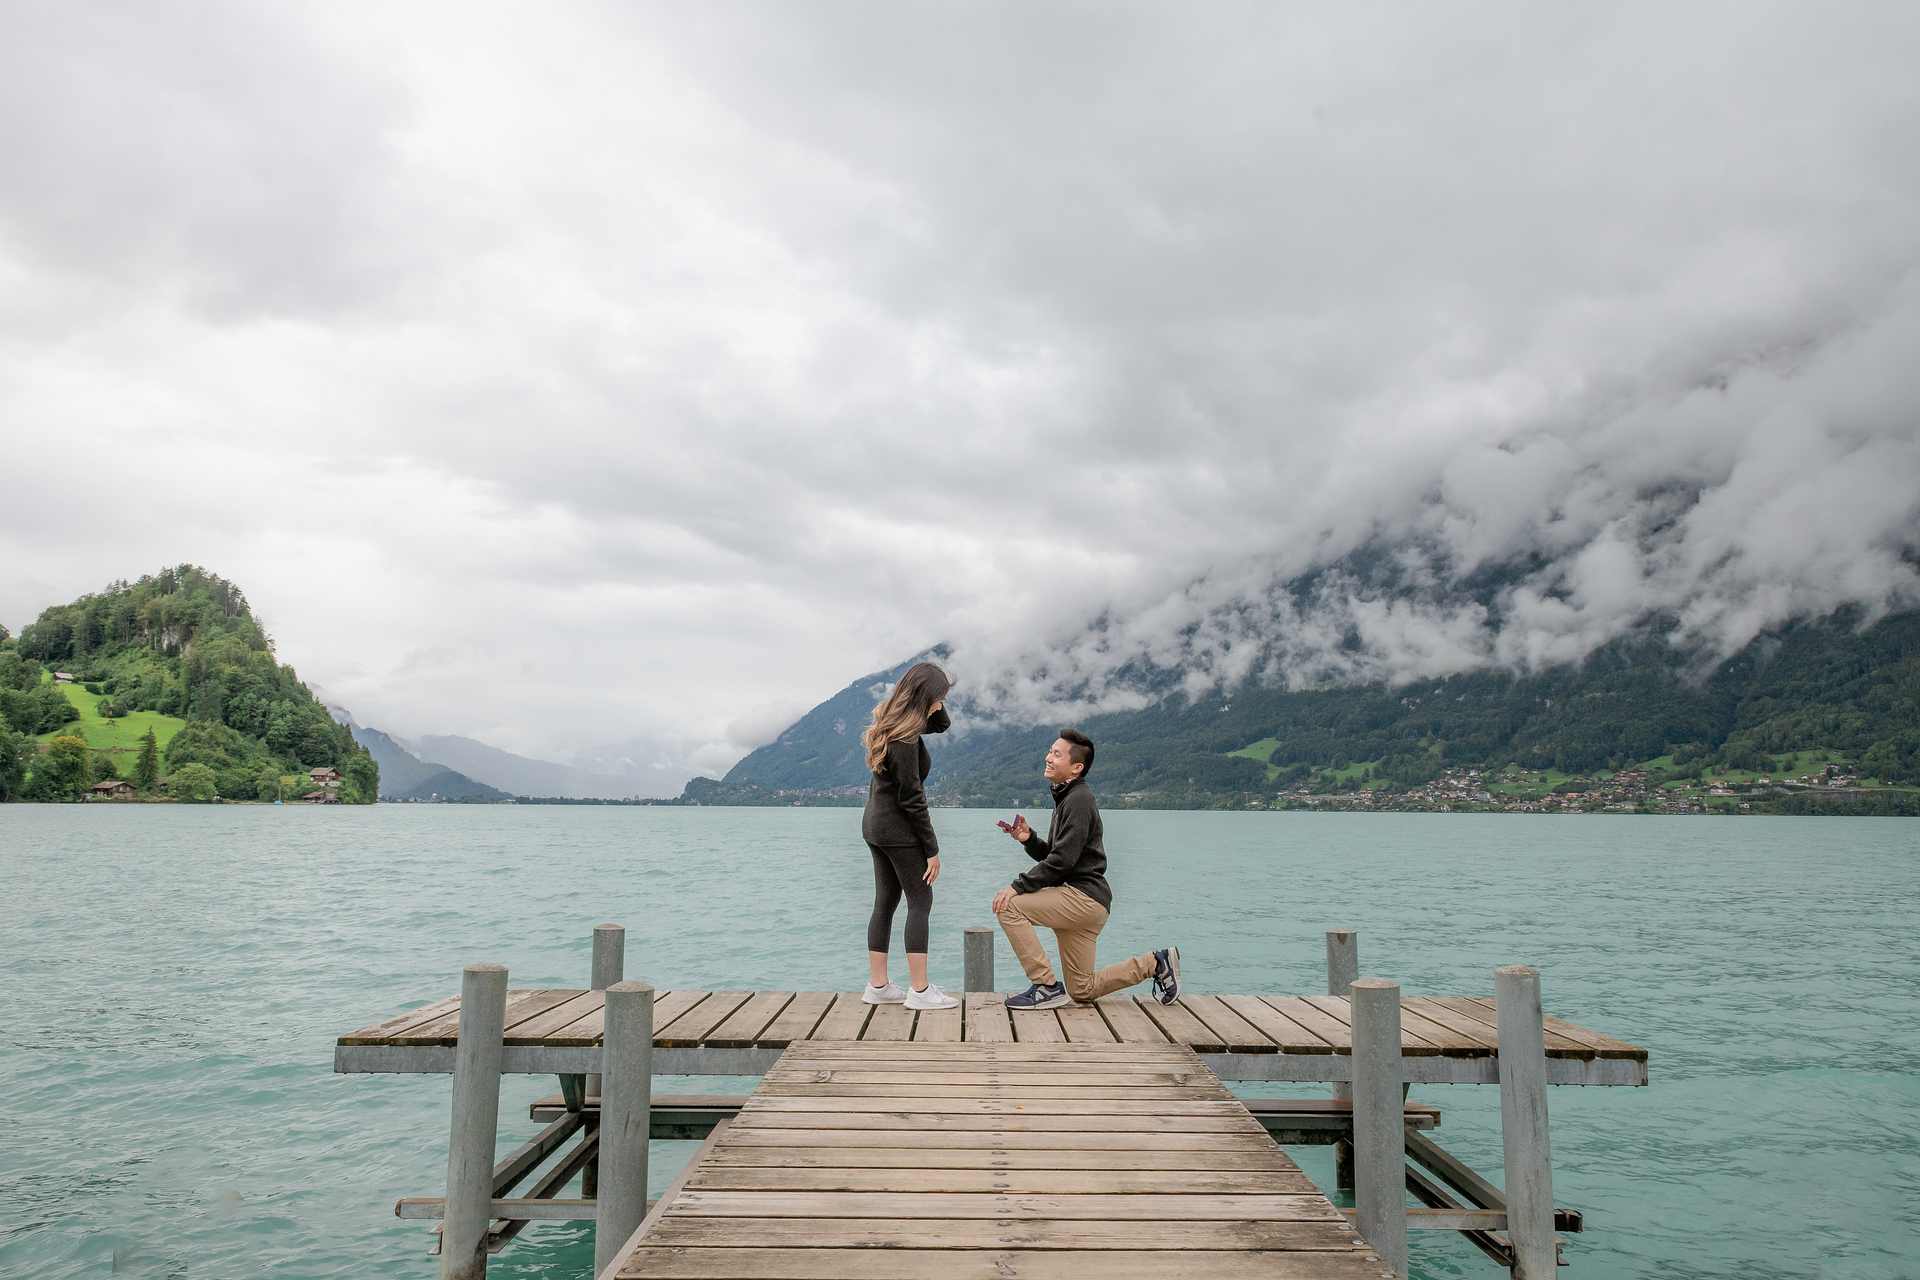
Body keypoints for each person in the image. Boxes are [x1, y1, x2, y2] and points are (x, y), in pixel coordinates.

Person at [993, 728, 1180, 1010]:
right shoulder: (1068, 798)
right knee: (1082, 989)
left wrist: (1017, 886)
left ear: (1076, 767)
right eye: (1050, 751)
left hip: (1082, 897)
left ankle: (1045, 986)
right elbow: (1060, 858)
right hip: (1088, 903)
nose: (1048, 757)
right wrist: (1029, 840)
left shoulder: (1079, 799)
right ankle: (1155, 963)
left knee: (1008, 906)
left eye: (1056, 754)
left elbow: (1062, 863)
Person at [858, 661, 960, 1010]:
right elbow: (912, 797)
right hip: (898, 829)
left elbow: (941, 726)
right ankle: (920, 992)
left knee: (885, 902)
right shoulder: (905, 737)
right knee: (920, 901)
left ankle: (879, 986)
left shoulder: (893, 725)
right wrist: (931, 848)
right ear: (923, 697)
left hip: (875, 825)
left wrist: (935, 702)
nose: (941, 705)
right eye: (938, 698)